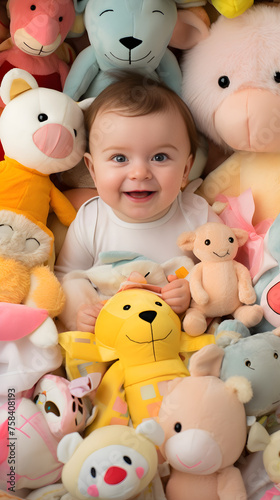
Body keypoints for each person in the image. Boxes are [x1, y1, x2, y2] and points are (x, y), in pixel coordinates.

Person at [55, 72, 220, 332]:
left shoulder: (198, 216)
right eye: (120, 158)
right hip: (113, 335)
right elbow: (65, 277)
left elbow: (224, 271)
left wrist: (193, 294)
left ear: (186, 170)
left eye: (160, 157)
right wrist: (79, 313)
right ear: (93, 170)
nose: (140, 173)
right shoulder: (91, 219)